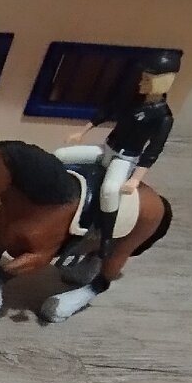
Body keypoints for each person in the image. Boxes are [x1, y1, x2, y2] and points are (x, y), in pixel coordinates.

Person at [53, 49, 179, 256]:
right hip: (106, 148)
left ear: (161, 83)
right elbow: (107, 111)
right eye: (143, 78)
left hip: (124, 158)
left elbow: (153, 149)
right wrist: (82, 132)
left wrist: (136, 179)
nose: (141, 83)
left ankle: (104, 236)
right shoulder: (133, 100)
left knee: (110, 190)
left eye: (147, 80)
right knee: (60, 155)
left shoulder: (163, 118)